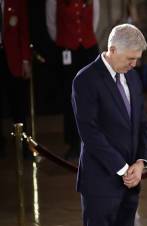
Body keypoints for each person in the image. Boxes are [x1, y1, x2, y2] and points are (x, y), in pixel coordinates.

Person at [72, 23, 147, 226]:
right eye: (131, 58)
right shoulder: (86, 80)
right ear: (113, 49)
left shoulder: (132, 77)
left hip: (131, 179)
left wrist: (141, 162)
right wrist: (122, 168)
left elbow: (143, 124)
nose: (135, 65)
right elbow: (89, 132)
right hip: (100, 181)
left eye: (138, 59)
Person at [46, 0, 100, 160]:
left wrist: (84, 39)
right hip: (67, 51)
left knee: (91, 98)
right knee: (71, 97)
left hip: (88, 50)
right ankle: (73, 143)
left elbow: (95, 21)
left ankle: (92, 142)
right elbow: (51, 25)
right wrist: (66, 40)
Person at [0, 0, 32, 158]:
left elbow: (23, 30)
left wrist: (25, 60)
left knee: (18, 105)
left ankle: (23, 146)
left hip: (13, 59)